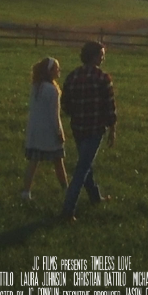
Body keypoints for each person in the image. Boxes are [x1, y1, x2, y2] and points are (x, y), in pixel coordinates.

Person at [60, 41, 116, 220]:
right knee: (82, 168)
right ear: (94, 56)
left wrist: (76, 114)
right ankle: (68, 209)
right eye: (101, 55)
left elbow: (65, 104)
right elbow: (110, 107)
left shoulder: (73, 76)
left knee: (86, 163)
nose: (103, 58)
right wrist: (112, 129)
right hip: (95, 129)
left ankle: (95, 197)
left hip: (78, 128)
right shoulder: (103, 78)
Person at [22, 56, 68, 200]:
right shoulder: (52, 90)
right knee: (58, 160)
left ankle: (26, 192)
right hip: (49, 132)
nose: (59, 70)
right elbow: (54, 115)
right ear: (49, 71)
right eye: (56, 68)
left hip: (35, 130)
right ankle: (66, 189)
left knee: (33, 161)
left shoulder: (36, 87)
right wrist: (59, 132)